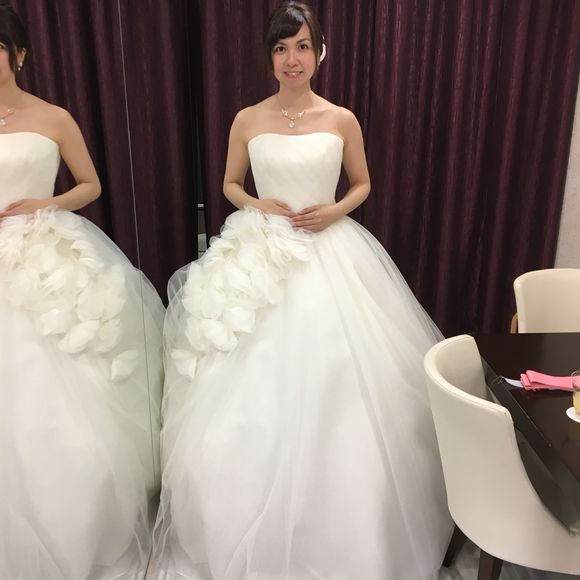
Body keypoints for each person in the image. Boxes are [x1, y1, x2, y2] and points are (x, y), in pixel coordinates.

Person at [151, 2, 452, 579]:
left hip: (331, 249)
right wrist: (256, 204)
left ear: (320, 52)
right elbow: (229, 183)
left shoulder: (341, 119)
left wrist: (334, 210)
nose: (293, 59)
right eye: (281, 48)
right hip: (261, 252)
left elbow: (362, 183)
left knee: (343, 379)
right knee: (249, 381)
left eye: (302, 47)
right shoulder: (247, 119)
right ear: (270, 58)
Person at [0, 4, 164, 579]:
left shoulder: (54, 117)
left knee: (64, 376)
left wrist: (45, 204)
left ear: (19, 54)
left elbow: (90, 184)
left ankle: (78, 516)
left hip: (47, 252)